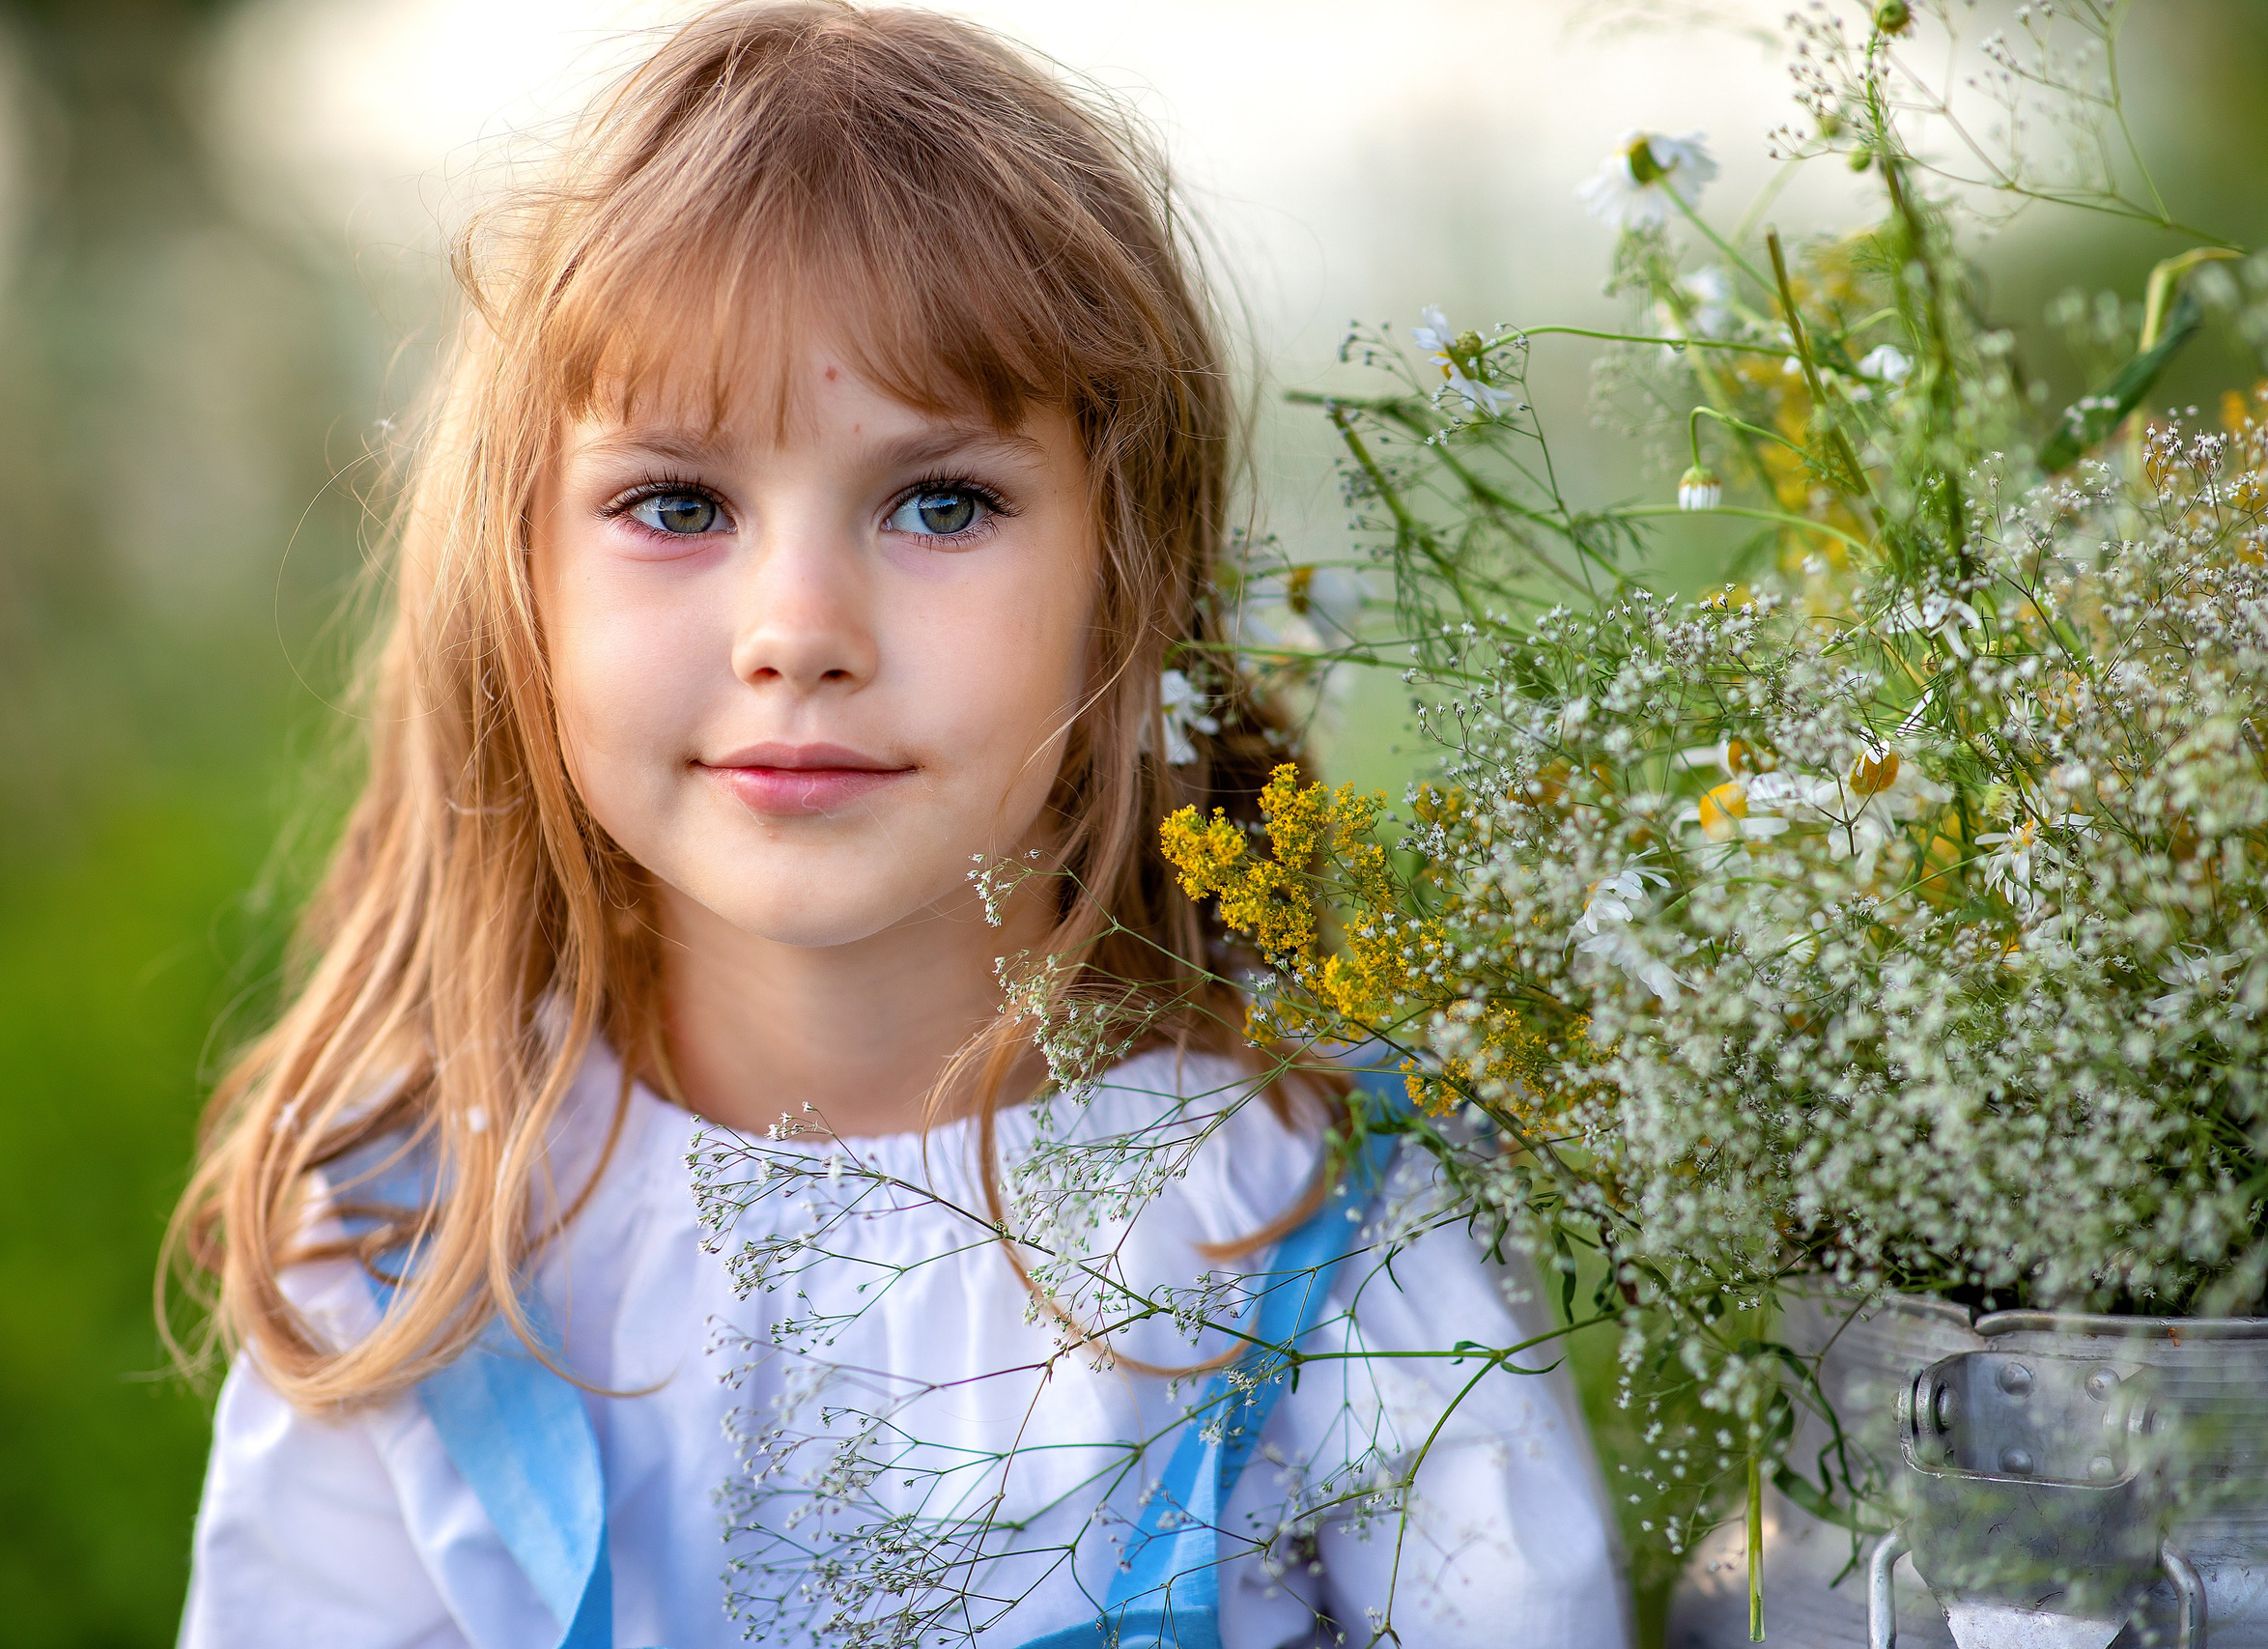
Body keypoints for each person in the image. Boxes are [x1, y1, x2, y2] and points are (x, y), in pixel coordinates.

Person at [168, 4, 1629, 1645]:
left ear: (1125, 587)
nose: (800, 627)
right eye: (677, 504)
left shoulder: (1302, 1210)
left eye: (943, 502)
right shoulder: (421, 1225)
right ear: (523, 589)